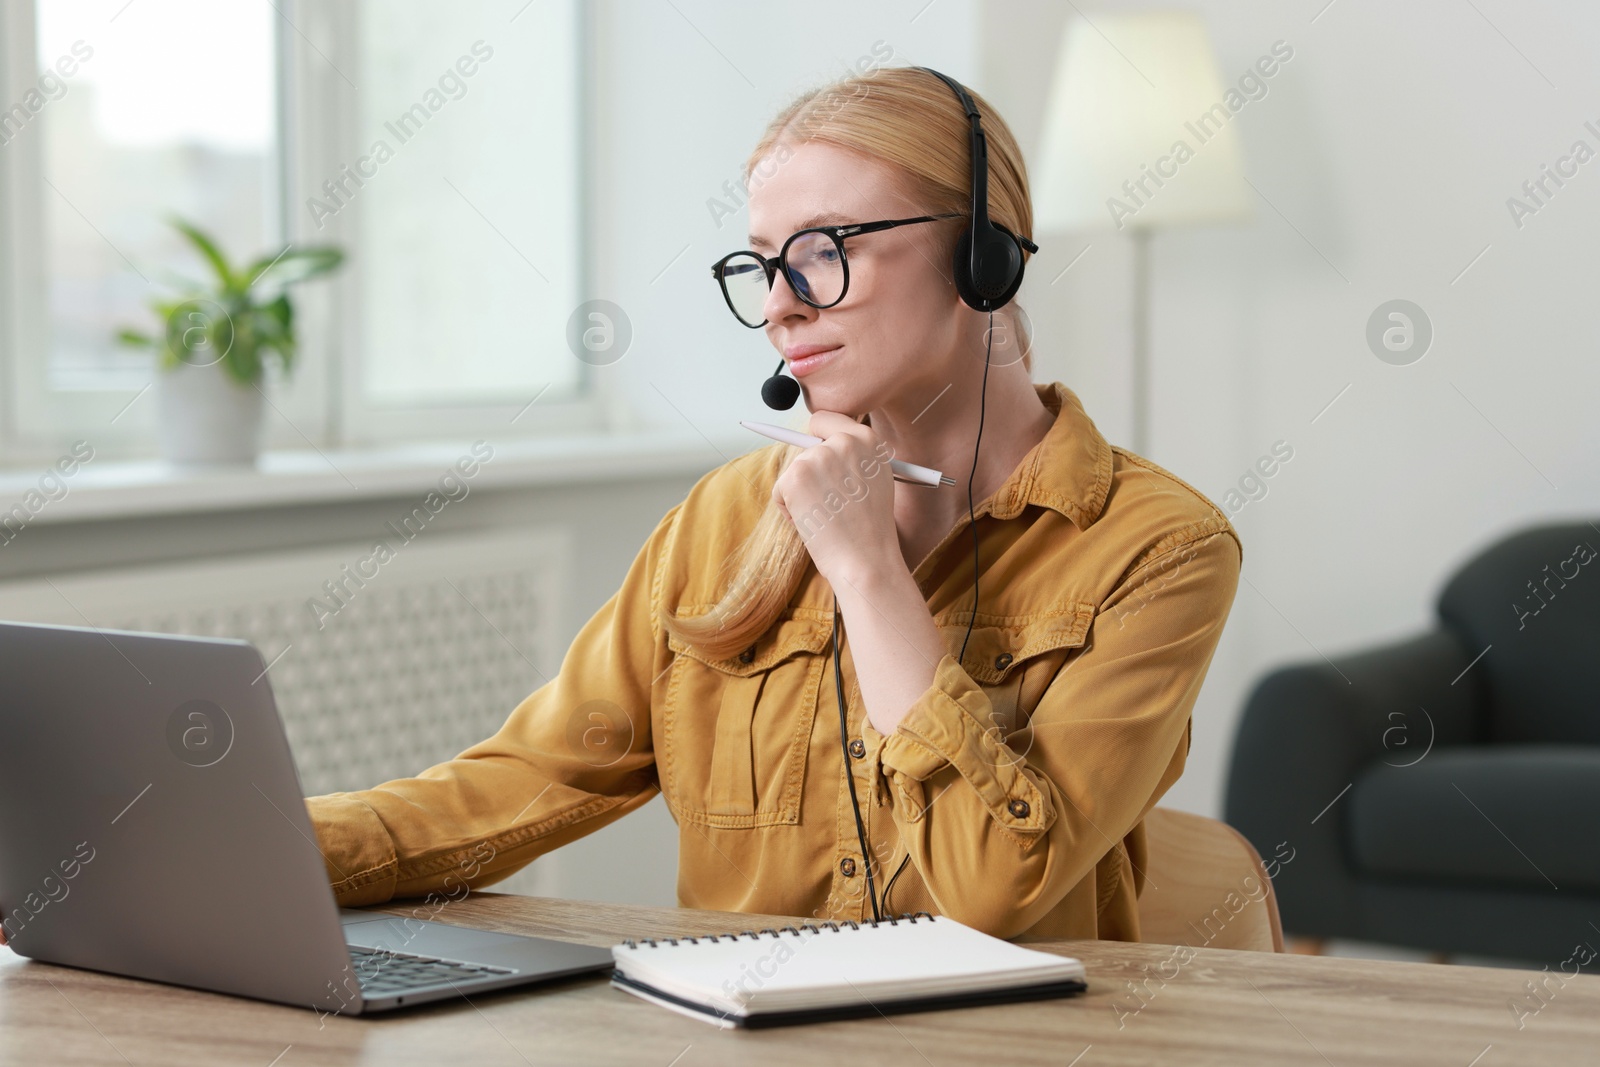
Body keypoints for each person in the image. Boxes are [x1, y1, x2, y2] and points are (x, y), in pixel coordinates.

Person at [9, 67, 1242, 951]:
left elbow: (993, 888)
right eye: (762, 264)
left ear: (987, 251)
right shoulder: (726, 521)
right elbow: (509, 787)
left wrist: (866, 568)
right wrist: (174, 844)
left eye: (824, 250)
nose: (779, 304)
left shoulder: (1155, 548)